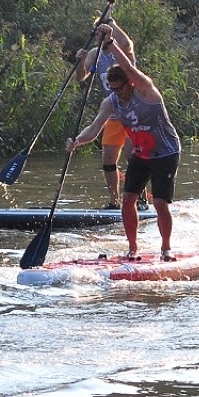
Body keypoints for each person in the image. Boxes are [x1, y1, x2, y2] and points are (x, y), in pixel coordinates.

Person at [67, 39, 180, 261]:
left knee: (159, 202)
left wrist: (110, 44)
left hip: (166, 152)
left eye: (119, 88)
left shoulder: (147, 92)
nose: (116, 93)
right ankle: (132, 248)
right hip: (141, 153)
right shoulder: (111, 102)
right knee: (128, 199)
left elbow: (128, 67)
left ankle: (166, 249)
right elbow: (95, 127)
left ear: (130, 83)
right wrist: (77, 141)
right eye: (112, 89)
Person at [75, 19, 137, 208]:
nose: (100, 35)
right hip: (111, 111)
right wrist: (79, 61)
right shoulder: (94, 54)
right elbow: (80, 77)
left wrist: (112, 23)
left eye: (104, 31)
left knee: (130, 156)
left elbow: (127, 44)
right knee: (108, 158)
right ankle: (114, 202)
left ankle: (139, 198)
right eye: (98, 32)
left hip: (132, 111)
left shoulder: (121, 53)